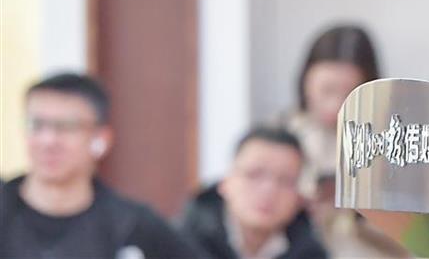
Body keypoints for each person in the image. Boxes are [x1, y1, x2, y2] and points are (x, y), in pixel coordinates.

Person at [0, 72, 199, 259]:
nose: (48, 141)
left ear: (100, 139)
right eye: (36, 125)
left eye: (66, 127)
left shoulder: (131, 225)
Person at [277, 24, 408, 258]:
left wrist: (359, 209)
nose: (335, 104)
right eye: (326, 90)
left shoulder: (395, 141)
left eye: (349, 92)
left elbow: (415, 237)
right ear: (306, 82)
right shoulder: (279, 135)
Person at [179, 126, 327, 259]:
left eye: (285, 180)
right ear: (226, 183)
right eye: (254, 174)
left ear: (300, 197)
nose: (269, 190)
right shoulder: (180, 245)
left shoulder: (312, 253)